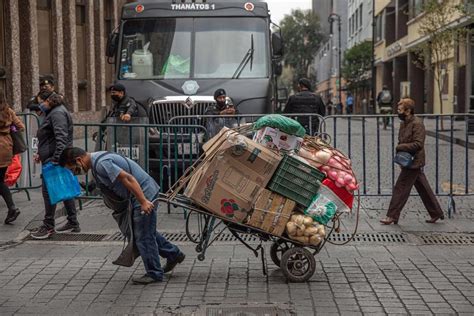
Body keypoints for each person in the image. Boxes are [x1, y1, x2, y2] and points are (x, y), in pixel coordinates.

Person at [59, 147, 186, 284]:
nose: (75, 173)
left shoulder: (101, 163)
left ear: (79, 160)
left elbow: (128, 178)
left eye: (73, 169)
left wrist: (143, 201)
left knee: (143, 235)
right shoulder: (96, 163)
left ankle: (154, 273)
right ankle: (173, 254)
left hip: (142, 193)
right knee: (144, 231)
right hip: (139, 194)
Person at [380, 98, 444, 225]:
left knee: (400, 188)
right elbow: (401, 140)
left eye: (400, 110)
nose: (398, 112)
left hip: (414, 161)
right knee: (423, 188)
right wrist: (400, 158)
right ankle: (436, 212)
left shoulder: (417, 123)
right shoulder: (404, 123)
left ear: (408, 111)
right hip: (407, 161)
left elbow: (418, 144)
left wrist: (400, 148)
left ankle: (392, 215)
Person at [31, 91, 80, 239]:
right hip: (55, 157)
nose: (40, 105)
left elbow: (61, 138)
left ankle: (48, 226)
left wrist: (55, 159)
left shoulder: (57, 113)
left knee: (49, 192)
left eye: (41, 102)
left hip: (55, 159)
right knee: (63, 189)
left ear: (48, 101)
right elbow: (51, 137)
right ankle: (73, 222)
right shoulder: (55, 111)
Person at [0, 89, 24, 224]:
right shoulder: (8, 111)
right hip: (6, 148)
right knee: (0, 179)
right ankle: (12, 208)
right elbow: (21, 126)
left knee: (0, 181)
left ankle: (12, 208)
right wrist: (10, 129)